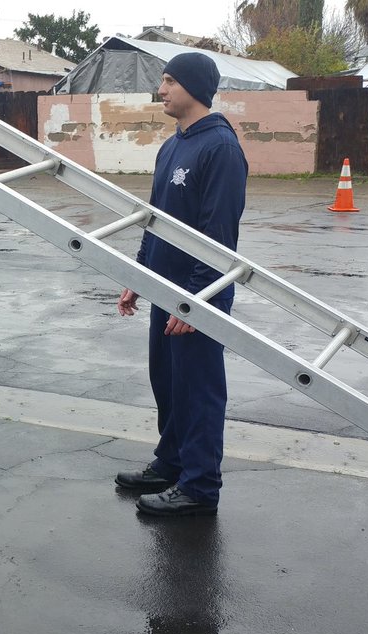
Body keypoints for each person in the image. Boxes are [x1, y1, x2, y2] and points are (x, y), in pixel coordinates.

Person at [114, 53, 248, 517]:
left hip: (197, 295)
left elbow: (219, 235)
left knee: (198, 390)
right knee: (168, 383)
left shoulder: (220, 148)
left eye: (170, 80)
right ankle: (171, 462)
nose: (162, 89)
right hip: (164, 289)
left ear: (194, 87)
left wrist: (198, 300)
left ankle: (199, 486)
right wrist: (140, 276)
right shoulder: (172, 146)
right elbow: (155, 219)